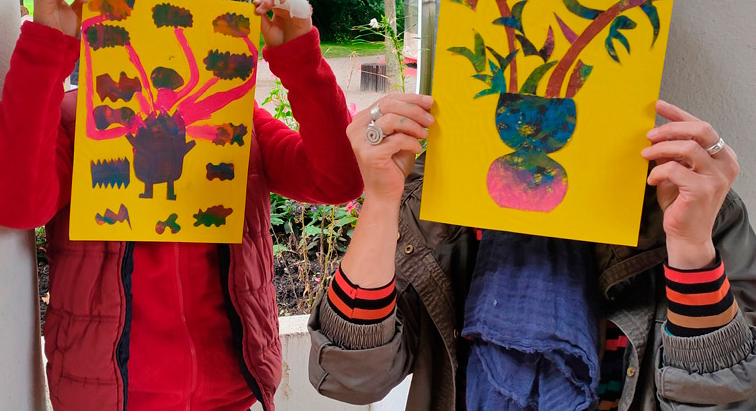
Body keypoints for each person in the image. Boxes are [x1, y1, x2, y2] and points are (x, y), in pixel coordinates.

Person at [0, 0, 363, 411]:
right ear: (106, 22)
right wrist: (46, 49)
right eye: (142, 23)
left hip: (230, 388)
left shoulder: (243, 126)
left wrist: (299, 57)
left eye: (195, 25)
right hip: (110, 394)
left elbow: (338, 180)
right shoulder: (74, 120)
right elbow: (11, 205)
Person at [308, 88, 756, 410]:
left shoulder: (683, 198)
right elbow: (352, 378)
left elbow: (724, 394)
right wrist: (381, 202)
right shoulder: (435, 196)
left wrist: (691, 244)